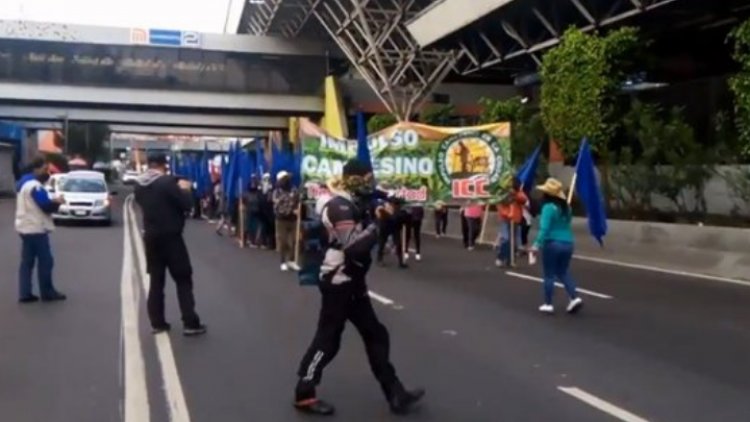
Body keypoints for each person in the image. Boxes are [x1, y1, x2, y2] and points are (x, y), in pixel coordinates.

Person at [294, 159, 424, 416]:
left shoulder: (355, 202)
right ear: (354, 178)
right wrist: (378, 223)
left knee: (376, 334)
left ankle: (395, 393)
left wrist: (392, 213)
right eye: (367, 178)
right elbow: (353, 245)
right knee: (328, 339)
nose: (371, 182)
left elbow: (375, 222)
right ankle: (304, 393)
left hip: (353, 280)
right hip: (338, 281)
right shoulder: (339, 206)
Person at [134, 153, 207, 336]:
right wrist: (185, 189)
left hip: (151, 237)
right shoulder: (166, 183)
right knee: (183, 278)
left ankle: (157, 322)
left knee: (156, 281)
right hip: (171, 237)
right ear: (162, 165)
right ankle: (190, 322)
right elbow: (187, 205)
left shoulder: (140, 184)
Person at [15, 156, 67, 303]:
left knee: (27, 262)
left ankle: (24, 293)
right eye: (44, 169)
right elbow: (44, 205)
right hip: (36, 228)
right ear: (36, 169)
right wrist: (57, 202)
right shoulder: (34, 185)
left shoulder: (22, 184)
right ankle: (47, 292)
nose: (46, 172)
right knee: (46, 261)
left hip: (24, 227)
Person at [529, 178, 583, 315]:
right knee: (563, 271)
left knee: (549, 274)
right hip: (568, 242)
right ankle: (574, 297)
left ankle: (548, 304)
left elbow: (544, 228)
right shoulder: (567, 208)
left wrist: (536, 244)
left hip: (552, 242)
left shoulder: (548, 208)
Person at [496, 179, 528, 267]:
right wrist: (506, 214)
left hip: (516, 219)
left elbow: (524, 199)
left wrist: (515, 195)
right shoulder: (502, 194)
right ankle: (500, 257)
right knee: (506, 238)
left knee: (514, 241)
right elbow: (500, 206)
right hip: (505, 219)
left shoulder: (518, 193)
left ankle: (510, 260)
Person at [273, 171, 300, 271]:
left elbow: (297, 201)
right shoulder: (277, 192)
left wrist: (297, 209)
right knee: (283, 241)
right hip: (281, 220)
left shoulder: (294, 190)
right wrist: (290, 210)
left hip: (293, 219)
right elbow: (277, 207)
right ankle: (283, 261)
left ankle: (292, 261)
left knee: (294, 241)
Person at [376, 198, 408, 269]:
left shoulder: (399, 211)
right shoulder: (386, 209)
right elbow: (381, 217)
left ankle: (400, 262)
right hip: (385, 227)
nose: (397, 206)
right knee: (382, 243)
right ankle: (380, 259)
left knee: (397, 244)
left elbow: (402, 221)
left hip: (393, 228)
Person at [242, 176, 263, 247]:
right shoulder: (246, 194)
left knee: (255, 226)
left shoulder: (258, 193)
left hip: (256, 211)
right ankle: (245, 239)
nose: (253, 184)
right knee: (247, 226)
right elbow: (243, 201)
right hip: (249, 211)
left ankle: (254, 240)